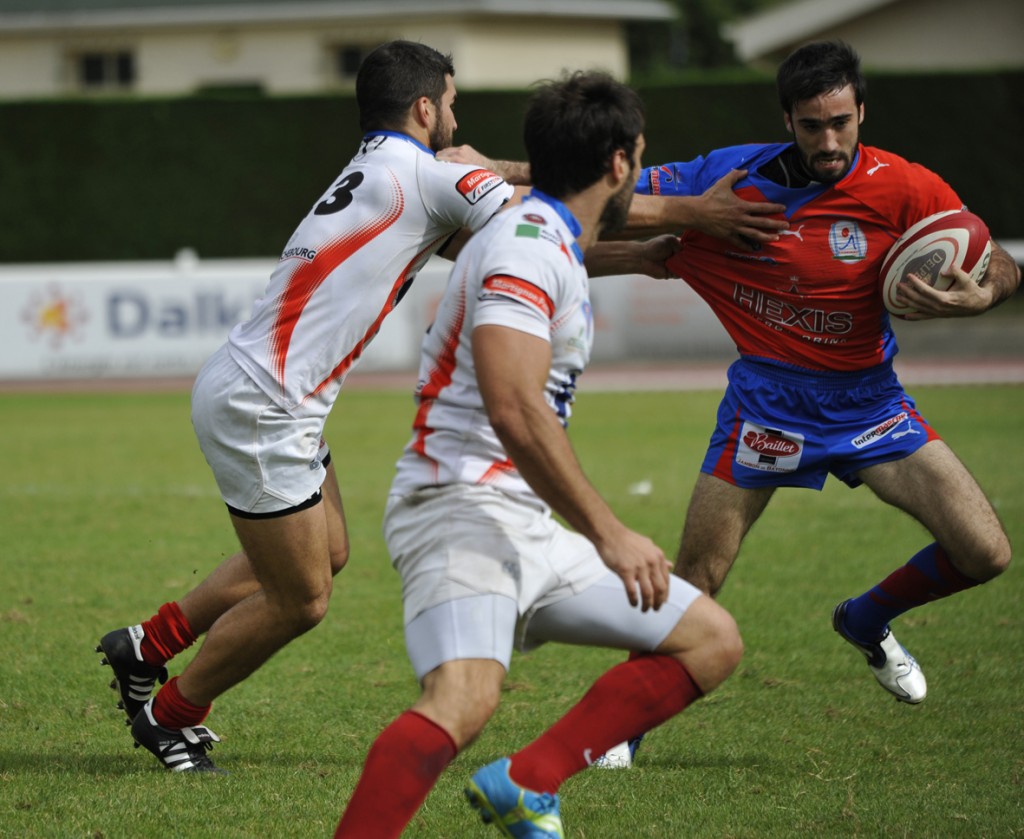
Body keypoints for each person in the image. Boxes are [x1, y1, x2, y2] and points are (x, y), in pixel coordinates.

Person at [94, 41, 777, 774]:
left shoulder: (388, 169)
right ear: (425, 108)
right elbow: (555, 204)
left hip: (266, 393)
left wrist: (637, 258)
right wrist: (694, 212)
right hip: (265, 405)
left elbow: (513, 239)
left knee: (325, 553)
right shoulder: (426, 174)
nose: (457, 117)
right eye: (451, 103)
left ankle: (147, 645)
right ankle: (171, 714)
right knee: (303, 599)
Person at [333, 71, 743, 838]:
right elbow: (515, 407)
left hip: (518, 518)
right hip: (460, 508)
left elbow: (556, 255)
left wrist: (640, 255)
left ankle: (527, 783)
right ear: (620, 165)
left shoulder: (542, 232)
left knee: (710, 639)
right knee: (463, 698)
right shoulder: (528, 245)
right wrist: (610, 531)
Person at [594, 39, 1020, 768]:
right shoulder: (725, 181)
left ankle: (867, 617)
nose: (829, 140)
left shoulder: (905, 186)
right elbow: (596, 203)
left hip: (872, 406)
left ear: (861, 113)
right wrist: (692, 212)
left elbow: (996, 257)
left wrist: (984, 293)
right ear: (786, 118)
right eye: (812, 124)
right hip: (768, 405)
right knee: (701, 575)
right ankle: (618, 730)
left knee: (986, 553)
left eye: (842, 122)